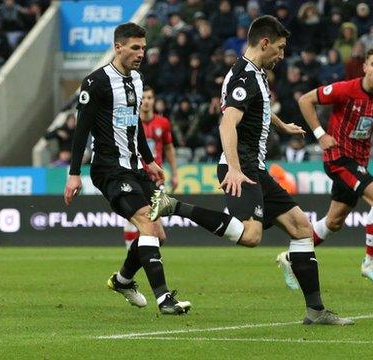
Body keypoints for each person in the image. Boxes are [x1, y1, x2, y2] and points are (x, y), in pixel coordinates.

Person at [149, 15, 354, 325]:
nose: (282, 56)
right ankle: (175, 206)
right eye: (281, 49)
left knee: (300, 226)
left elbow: (258, 110)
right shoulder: (245, 77)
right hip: (241, 168)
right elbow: (227, 123)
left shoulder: (255, 74)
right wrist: (232, 168)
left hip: (254, 168)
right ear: (265, 43)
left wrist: (282, 125)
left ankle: (316, 311)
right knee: (251, 236)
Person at [63, 23, 191, 315]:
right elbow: (81, 130)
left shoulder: (136, 79)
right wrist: (74, 174)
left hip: (135, 168)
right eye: (135, 48)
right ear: (117, 47)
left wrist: (149, 160)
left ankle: (122, 281)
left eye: (143, 48)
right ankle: (164, 300)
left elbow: (135, 126)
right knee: (146, 221)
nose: (141, 53)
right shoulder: (96, 83)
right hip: (109, 169)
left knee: (157, 235)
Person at [295, 45, 373, 287]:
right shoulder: (346, 90)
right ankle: (370, 262)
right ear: (364, 67)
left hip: (359, 161)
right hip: (338, 158)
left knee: (334, 222)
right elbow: (305, 100)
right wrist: (320, 134)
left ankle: (293, 255)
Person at [122, 86, 179, 249]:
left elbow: (169, 148)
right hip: (134, 175)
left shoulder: (163, 123)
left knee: (155, 222)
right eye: (143, 98)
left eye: (149, 98)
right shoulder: (129, 123)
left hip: (155, 179)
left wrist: (175, 173)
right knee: (133, 218)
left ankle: (147, 254)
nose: (146, 102)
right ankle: (132, 255)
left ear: (154, 101)